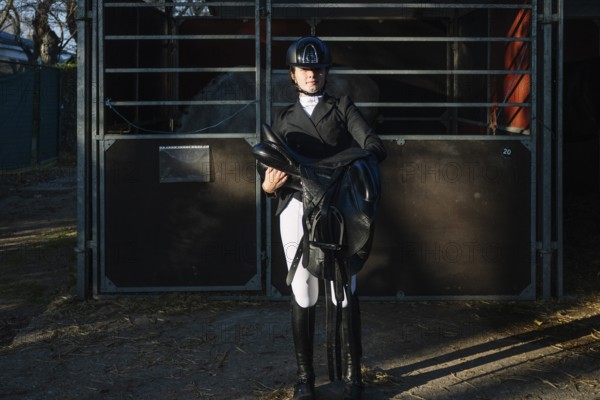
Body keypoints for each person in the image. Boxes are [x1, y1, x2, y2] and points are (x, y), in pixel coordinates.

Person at [261, 36, 386, 400]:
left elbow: (374, 147)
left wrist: (339, 166)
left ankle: (353, 376)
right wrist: (267, 188)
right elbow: (265, 165)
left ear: (325, 73)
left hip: (337, 207)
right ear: (293, 75)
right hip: (297, 205)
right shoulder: (281, 118)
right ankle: (305, 378)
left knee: (343, 290)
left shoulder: (344, 107)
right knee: (302, 287)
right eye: (305, 69)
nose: (311, 74)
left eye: (317, 69)